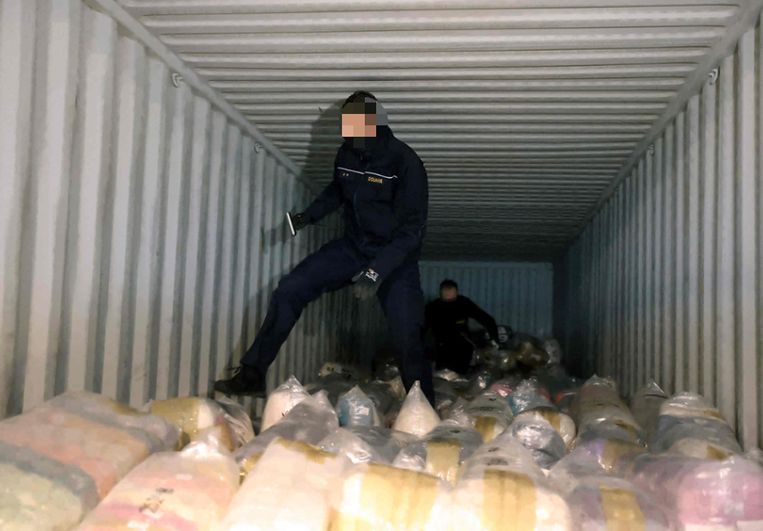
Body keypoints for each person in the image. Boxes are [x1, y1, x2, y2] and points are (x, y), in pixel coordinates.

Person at [214, 91, 434, 403]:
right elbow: (337, 190)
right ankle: (252, 375)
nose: (347, 131)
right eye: (346, 124)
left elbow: (413, 231)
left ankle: (424, 411)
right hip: (353, 247)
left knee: (406, 335)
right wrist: (309, 216)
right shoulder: (346, 154)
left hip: (394, 258)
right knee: (290, 289)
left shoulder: (406, 163)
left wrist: (375, 273)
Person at [424, 279, 499, 374]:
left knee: (462, 370)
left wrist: (494, 340)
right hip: (442, 346)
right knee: (443, 374)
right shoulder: (432, 308)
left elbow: (487, 319)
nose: (449, 298)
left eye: (451, 295)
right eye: (446, 295)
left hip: (463, 345)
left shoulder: (463, 303)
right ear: (441, 293)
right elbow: (421, 329)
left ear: (456, 292)